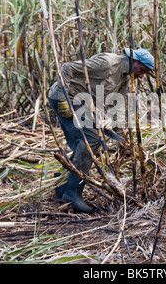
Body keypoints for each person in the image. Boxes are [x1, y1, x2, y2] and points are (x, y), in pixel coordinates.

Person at [48, 48, 154, 213]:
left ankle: (62, 186)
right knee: (91, 141)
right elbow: (67, 68)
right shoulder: (107, 63)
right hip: (66, 97)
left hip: (82, 103)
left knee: (84, 147)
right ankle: (72, 193)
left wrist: (115, 127)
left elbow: (116, 105)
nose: (142, 76)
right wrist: (63, 98)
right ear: (135, 61)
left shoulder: (126, 78)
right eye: (143, 70)